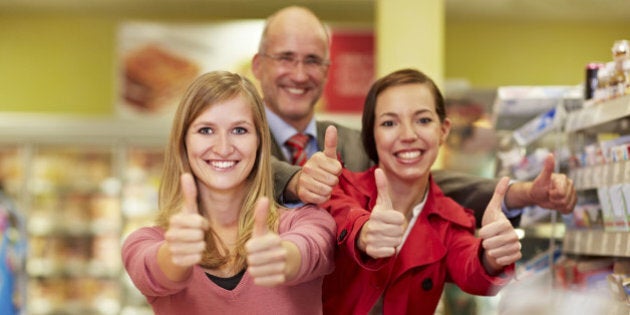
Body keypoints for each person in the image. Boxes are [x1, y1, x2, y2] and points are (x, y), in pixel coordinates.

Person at [255, 6, 576, 226]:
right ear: (258, 65)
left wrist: (520, 193)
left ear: (327, 71)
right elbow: (252, 172)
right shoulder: (235, 140)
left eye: (312, 60)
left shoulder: (353, 145)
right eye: (285, 58)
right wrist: (297, 180)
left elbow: (426, 188)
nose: (299, 74)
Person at [122, 71, 336, 314]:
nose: (223, 148)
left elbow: (309, 250)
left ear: (259, 141)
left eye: (239, 130)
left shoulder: (309, 222)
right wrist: (176, 254)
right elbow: (157, 271)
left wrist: (280, 257)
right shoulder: (144, 242)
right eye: (205, 130)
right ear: (183, 143)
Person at [321, 68, 522, 314]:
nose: (408, 135)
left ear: (444, 130)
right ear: (372, 135)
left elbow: (471, 267)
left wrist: (492, 256)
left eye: (423, 120)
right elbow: (336, 215)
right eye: (389, 123)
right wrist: (363, 231)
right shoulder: (340, 188)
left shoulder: (451, 219)